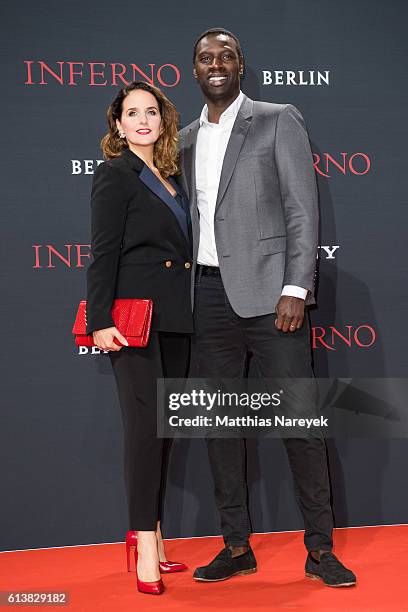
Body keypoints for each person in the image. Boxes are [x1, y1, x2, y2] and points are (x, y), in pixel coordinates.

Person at [178, 28, 357, 587]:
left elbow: (303, 209)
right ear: (193, 69)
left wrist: (296, 288)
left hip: (272, 298)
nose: (216, 64)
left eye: (225, 56)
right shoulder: (181, 140)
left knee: (300, 424)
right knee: (222, 428)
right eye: (206, 58)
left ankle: (320, 549)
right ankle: (236, 546)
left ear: (241, 65)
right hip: (207, 299)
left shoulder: (277, 118)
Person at [86, 81, 193, 596]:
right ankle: (144, 547)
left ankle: (158, 537)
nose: (143, 120)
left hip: (175, 319)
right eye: (133, 112)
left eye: (151, 111)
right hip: (132, 324)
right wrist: (99, 320)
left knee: (165, 431)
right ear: (118, 124)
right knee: (144, 432)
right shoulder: (115, 176)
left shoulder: (171, 175)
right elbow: (102, 253)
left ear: (162, 120)